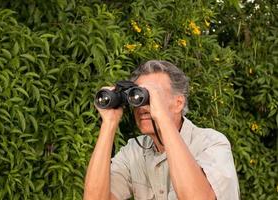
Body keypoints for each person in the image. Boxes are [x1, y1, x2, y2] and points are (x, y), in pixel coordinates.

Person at [84, 60, 240, 200]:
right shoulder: (134, 152)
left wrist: (162, 117)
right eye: (138, 97)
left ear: (178, 103)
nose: (142, 107)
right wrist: (109, 123)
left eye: (151, 96)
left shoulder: (211, 143)